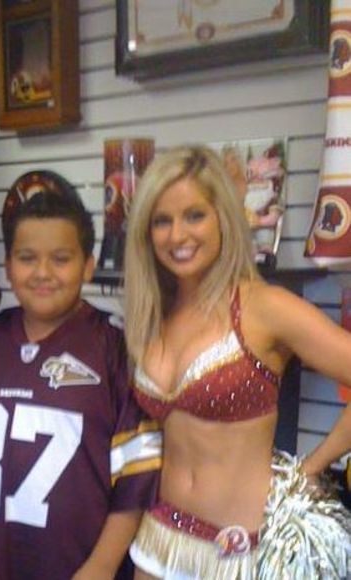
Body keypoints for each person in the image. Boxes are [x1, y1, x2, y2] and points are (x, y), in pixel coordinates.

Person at [123, 145, 351, 579]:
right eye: (161, 221)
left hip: (237, 553)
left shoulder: (264, 307)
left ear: (223, 218)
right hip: (157, 542)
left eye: (194, 215)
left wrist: (311, 468)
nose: (177, 235)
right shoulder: (153, 314)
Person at [0, 188, 162, 580]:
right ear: (8, 266)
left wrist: (102, 565)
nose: (43, 272)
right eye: (27, 258)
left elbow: (136, 478)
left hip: (78, 564)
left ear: (88, 266)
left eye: (61, 259)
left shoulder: (115, 349)